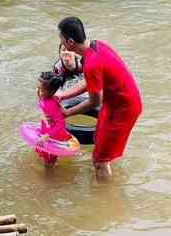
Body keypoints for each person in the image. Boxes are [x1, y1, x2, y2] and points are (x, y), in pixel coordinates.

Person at [56, 17, 142, 178]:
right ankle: (107, 167)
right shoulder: (97, 46)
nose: (60, 42)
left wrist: (67, 113)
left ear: (70, 42)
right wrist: (63, 94)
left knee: (99, 161)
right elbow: (93, 81)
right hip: (114, 103)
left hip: (124, 109)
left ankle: (106, 198)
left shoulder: (92, 64)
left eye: (61, 38)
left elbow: (95, 101)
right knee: (99, 143)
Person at [35, 71, 74, 166]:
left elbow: (61, 124)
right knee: (42, 153)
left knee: (49, 160)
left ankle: (50, 175)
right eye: (38, 87)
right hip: (46, 127)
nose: (39, 91)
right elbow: (42, 104)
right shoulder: (43, 96)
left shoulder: (52, 104)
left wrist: (47, 135)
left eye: (41, 90)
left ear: (52, 92)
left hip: (53, 133)